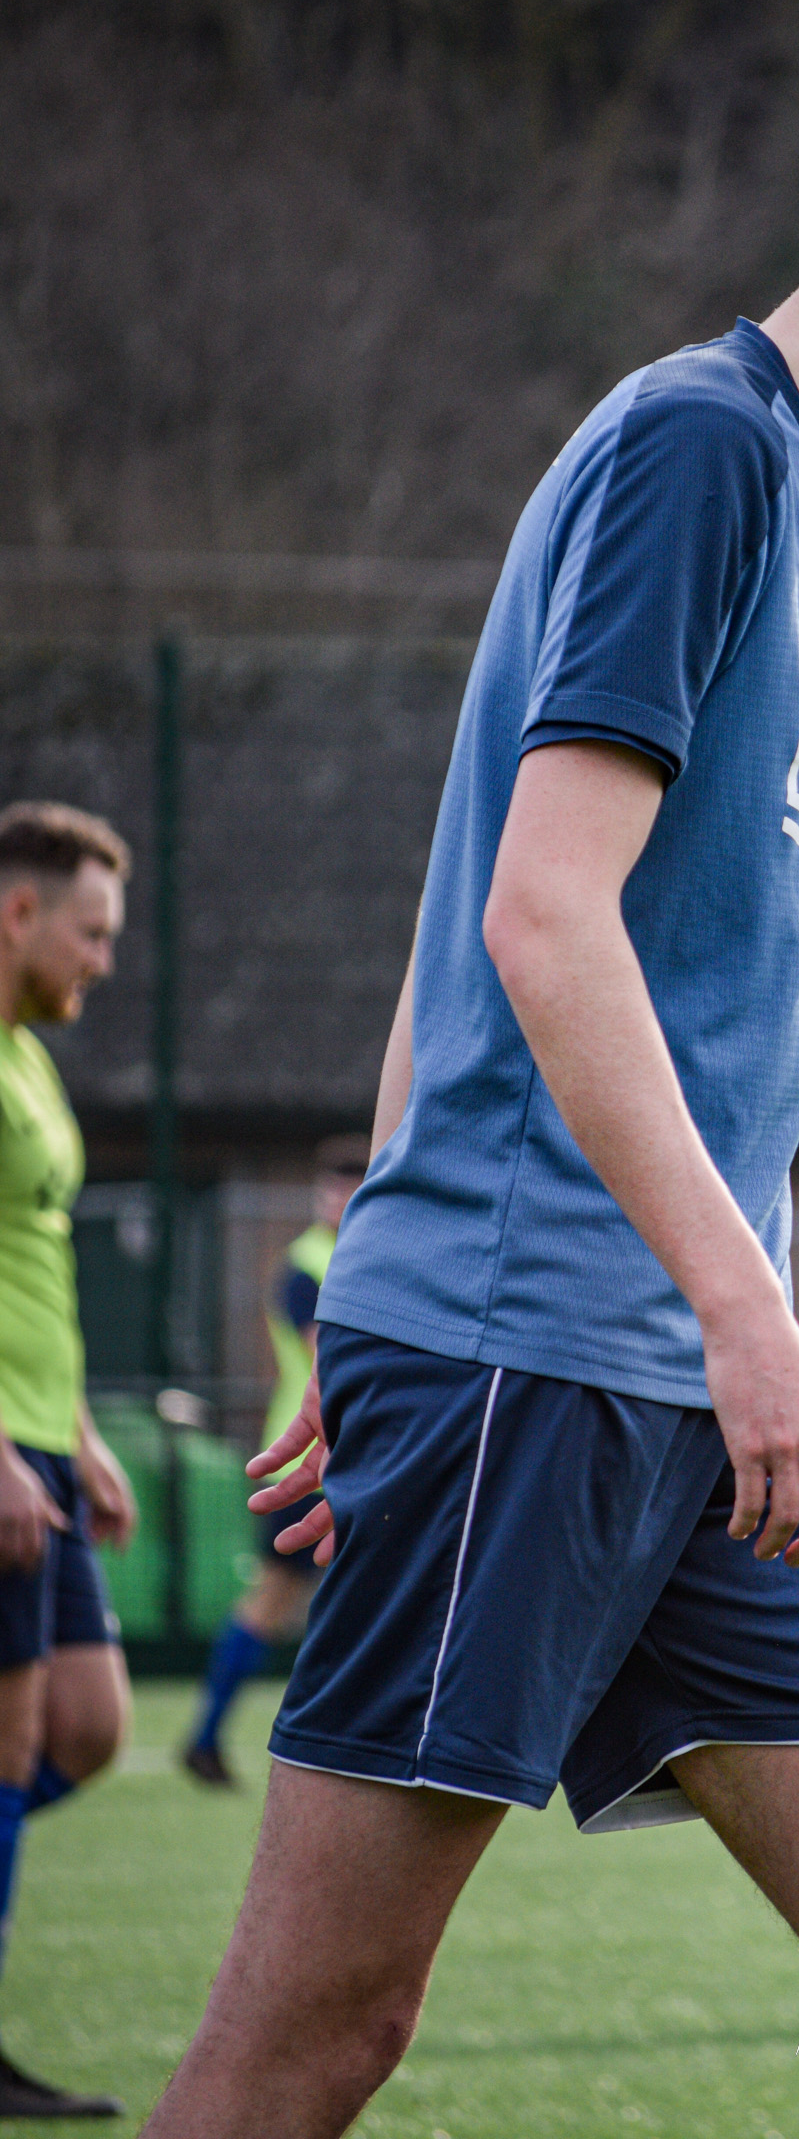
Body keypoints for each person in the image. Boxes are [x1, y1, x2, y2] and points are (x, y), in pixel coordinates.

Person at [141, 37, 799, 2139]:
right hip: (538, 1359)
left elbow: (469, 894)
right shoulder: (696, 453)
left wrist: (412, 1245)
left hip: (660, 1385)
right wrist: (742, 1314)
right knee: (315, 2035)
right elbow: (541, 919)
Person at [0, 802, 139, 2119]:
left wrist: (82, 1439)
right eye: (90, 933)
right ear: (17, 912)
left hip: (42, 1439)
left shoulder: (33, 1057)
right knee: (7, 1741)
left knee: (90, 1726)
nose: (103, 958)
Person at [183, 1137, 370, 1787]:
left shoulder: (372, 1255)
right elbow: (331, 1350)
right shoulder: (306, 1266)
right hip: (311, 1457)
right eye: (328, 1190)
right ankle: (208, 1736)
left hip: (362, 1453)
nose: (335, 1202)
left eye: (348, 1190)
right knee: (277, 1602)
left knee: (330, 1603)